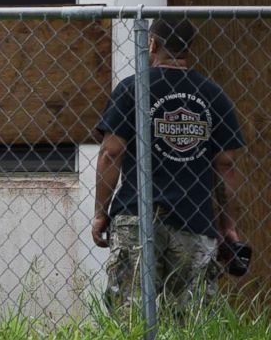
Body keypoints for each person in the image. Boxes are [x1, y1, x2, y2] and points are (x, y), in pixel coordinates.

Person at [92, 18, 245, 314]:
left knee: (131, 315)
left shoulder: (132, 89)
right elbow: (225, 165)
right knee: (191, 317)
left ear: (151, 43)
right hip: (194, 220)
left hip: (136, 215)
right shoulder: (214, 95)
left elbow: (110, 154)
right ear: (188, 48)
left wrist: (101, 213)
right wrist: (227, 224)